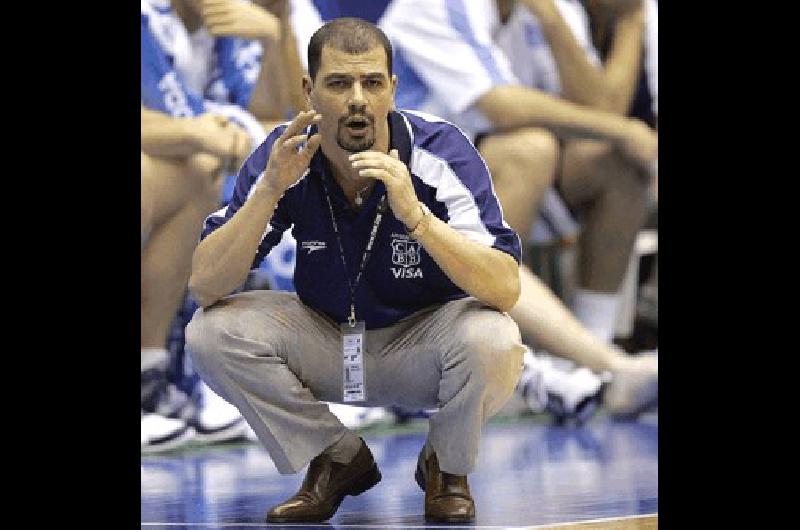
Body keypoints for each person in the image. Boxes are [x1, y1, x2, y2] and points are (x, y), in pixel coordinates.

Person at [185, 18, 526, 523]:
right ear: (310, 91)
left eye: (372, 82)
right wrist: (270, 191)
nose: (358, 99)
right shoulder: (284, 155)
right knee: (211, 333)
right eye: (339, 83)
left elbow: (505, 287)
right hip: (326, 341)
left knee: (494, 338)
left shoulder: (440, 150)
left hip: (423, 345)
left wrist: (417, 217)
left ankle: (445, 466)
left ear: (392, 88)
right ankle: (336, 457)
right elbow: (205, 285)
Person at [289, 0, 657, 419]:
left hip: (461, 193)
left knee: (615, 161)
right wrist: (626, 129)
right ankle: (579, 365)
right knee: (528, 151)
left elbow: (599, 109)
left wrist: (560, 23)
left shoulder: (554, 10)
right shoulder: (433, 6)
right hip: (388, 202)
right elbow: (501, 106)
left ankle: (590, 358)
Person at [141, 0, 300, 450]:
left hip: (194, 159)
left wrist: (275, 38)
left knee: (202, 173)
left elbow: (272, 110)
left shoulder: (223, 23)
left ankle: (151, 380)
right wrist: (195, 132)